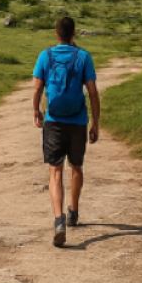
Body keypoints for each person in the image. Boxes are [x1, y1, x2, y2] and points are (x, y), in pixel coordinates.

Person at [32, 16, 99, 247]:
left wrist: (36, 111)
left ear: (56, 33)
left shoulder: (46, 55)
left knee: (55, 171)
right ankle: (74, 212)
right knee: (77, 167)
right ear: (74, 33)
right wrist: (96, 122)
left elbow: (38, 87)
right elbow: (92, 91)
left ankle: (58, 219)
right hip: (78, 121)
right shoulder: (83, 56)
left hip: (54, 120)